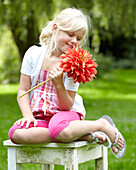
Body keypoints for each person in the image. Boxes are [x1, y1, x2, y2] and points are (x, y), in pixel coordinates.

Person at [8, 8, 126, 158]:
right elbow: (22, 90)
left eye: (79, 38)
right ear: (55, 28)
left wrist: (58, 83)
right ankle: (79, 135)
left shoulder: (74, 64)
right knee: (16, 134)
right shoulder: (33, 54)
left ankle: (101, 124)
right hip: (41, 118)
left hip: (65, 116)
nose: (74, 41)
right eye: (70, 34)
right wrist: (28, 116)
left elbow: (66, 106)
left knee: (57, 128)